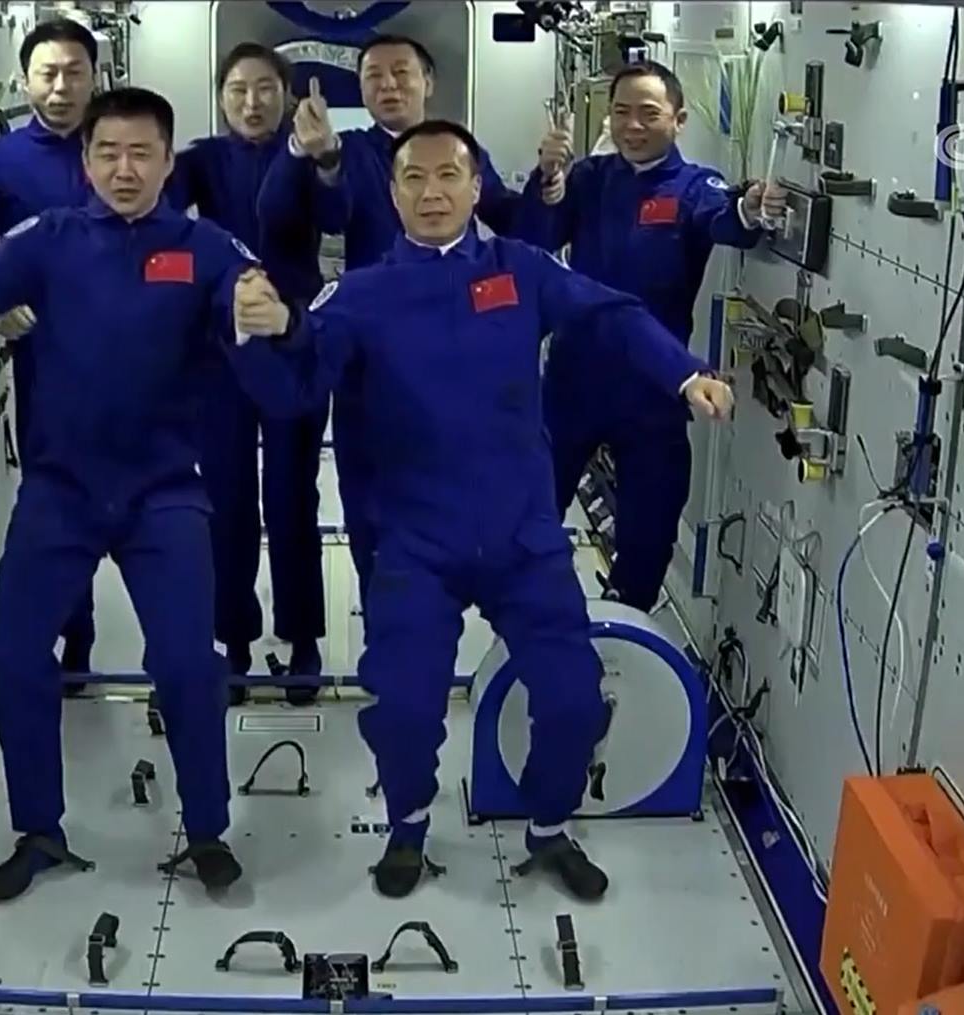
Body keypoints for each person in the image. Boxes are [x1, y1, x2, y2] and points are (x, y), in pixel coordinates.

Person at [227, 121, 736, 901]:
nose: (431, 192)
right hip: (412, 540)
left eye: (448, 176)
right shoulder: (360, 295)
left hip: (520, 534)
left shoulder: (520, 270)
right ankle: (407, 825)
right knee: (402, 706)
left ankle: (548, 826)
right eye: (413, 178)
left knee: (572, 698)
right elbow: (295, 388)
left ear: (474, 187)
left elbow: (613, 315)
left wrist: (683, 373)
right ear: (392, 193)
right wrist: (261, 335)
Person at [0, 87, 265, 901]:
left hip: (162, 492)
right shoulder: (50, 239)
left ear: (167, 161)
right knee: (11, 658)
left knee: (187, 663)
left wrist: (259, 306)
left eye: (141, 153)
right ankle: (38, 829)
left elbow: (246, 291)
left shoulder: (202, 246)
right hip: (62, 490)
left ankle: (206, 828)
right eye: (107, 153)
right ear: (86, 161)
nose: (124, 169)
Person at [258, 33, 521, 599]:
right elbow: (320, 215)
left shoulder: (460, 150)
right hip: (369, 348)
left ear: (429, 82)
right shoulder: (349, 151)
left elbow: (514, 221)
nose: (388, 85)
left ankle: (439, 601)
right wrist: (316, 155)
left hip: (449, 344)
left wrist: (551, 184)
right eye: (373, 76)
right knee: (369, 493)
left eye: (401, 73)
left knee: (447, 481)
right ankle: (383, 610)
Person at [517, 62, 785, 612]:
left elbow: (726, 220)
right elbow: (536, 236)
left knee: (650, 528)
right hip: (573, 380)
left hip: (655, 387)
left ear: (678, 120)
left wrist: (751, 209)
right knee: (528, 513)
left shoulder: (693, 187)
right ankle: (524, 624)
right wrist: (546, 180)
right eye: (621, 112)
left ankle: (625, 627)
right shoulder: (589, 178)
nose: (632, 125)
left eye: (648, 113)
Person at [167, 43, 326, 702]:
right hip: (221, 353)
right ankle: (230, 637)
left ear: (286, 96)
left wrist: (321, 156)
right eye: (238, 89)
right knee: (225, 500)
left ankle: (302, 637)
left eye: (265, 88)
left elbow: (335, 213)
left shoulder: (311, 156)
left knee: (292, 499)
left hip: (292, 342)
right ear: (221, 97)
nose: (252, 102)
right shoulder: (200, 161)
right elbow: (155, 209)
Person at [0, 17, 100, 678]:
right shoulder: (1, 164)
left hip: (138, 355)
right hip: (49, 362)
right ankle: (75, 633)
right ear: (24, 80)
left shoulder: (121, 147)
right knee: (58, 499)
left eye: (74, 73)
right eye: (48, 74)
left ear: (95, 77)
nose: (61, 87)